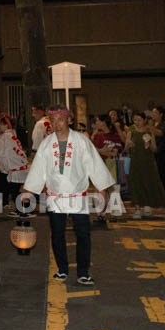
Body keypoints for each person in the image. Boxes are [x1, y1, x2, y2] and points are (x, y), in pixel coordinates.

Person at [21, 106, 114, 286]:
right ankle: (62, 269)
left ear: (69, 120)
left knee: (83, 234)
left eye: (60, 120)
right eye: (53, 120)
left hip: (78, 195)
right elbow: (39, 169)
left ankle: (83, 272)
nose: (56, 124)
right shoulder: (47, 143)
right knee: (57, 234)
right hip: (55, 196)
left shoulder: (81, 141)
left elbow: (93, 164)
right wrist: (29, 191)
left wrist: (102, 188)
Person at [124, 112, 165, 219]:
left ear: (144, 120)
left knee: (148, 182)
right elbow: (126, 149)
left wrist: (148, 144)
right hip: (135, 162)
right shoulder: (131, 131)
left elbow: (155, 149)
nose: (137, 122)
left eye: (139, 120)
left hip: (147, 162)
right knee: (136, 184)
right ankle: (137, 208)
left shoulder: (149, 132)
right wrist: (129, 145)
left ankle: (147, 205)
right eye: (135, 120)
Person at [0, 116, 29, 215]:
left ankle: (23, 210)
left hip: (16, 168)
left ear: (6, 125)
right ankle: (23, 209)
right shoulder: (12, 135)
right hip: (20, 166)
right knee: (14, 190)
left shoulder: (5, 137)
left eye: (0, 124)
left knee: (13, 191)